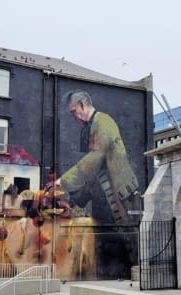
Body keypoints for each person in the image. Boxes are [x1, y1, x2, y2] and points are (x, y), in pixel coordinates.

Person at [49, 90, 139, 223]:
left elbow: (94, 159)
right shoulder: (88, 128)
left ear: (81, 104)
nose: (73, 116)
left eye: (73, 111)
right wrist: (74, 201)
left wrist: (62, 182)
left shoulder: (103, 121)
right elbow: (91, 171)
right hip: (104, 197)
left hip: (121, 197)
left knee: (125, 231)